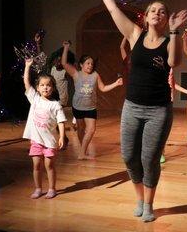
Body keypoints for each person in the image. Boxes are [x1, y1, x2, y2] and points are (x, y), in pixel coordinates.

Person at [92, 0, 187, 222]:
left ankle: (149, 204)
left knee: (149, 158)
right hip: (132, 107)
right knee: (128, 157)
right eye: (153, 10)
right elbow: (113, 10)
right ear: (145, 17)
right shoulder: (135, 35)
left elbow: (174, 61)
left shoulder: (170, 41)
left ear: (167, 20)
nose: (157, 13)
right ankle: (138, 197)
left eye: (162, 11)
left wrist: (176, 33)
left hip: (158, 110)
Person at [61, 41, 123, 159]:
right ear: (81, 65)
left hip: (91, 108)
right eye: (88, 63)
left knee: (91, 130)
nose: (90, 65)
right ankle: (82, 152)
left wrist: (116, 83)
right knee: (80, 130)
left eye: (92, 64)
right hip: (78, 107)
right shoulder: (75, 74)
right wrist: (66, 48)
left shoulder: (95, 75)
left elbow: (103, 88)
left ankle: (82, 153)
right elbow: (64, 63)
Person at [23, 58, 66, 199]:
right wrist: (27, 66)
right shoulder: (34, 98)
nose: (45, 87)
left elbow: (61, 122)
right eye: (42, 85)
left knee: (49, 165)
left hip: (49, 141)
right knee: (36, 165)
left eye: (48, 85)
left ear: (52, 88)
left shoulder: (55, 105)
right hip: (36, 140)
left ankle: (52, 188)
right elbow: (26, 82)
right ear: (38, 87)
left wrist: (61, 137)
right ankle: (38, 188)